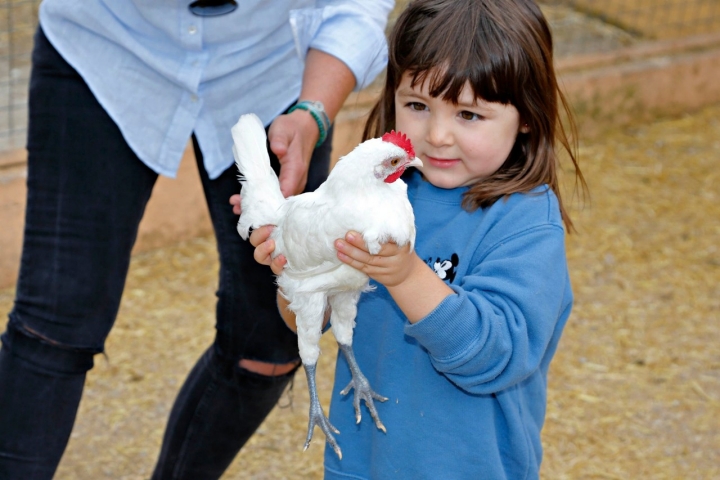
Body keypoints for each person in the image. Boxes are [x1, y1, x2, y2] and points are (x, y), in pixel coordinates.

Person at [0, 1, 395, 479]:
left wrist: (313, 111)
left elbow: (357, 6)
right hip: (106, 49)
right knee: (56, 323)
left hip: (270, 70)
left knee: (271, 339)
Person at [248, 0, 588, 477]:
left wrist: (406, 274)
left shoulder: (525, 223)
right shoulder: (373, 196)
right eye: (417, 106)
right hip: (365, 463)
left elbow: (494, 357)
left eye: (469, 115)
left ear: (527, 116)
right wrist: (296, 273)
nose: (438, 135)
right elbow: (309, 319)